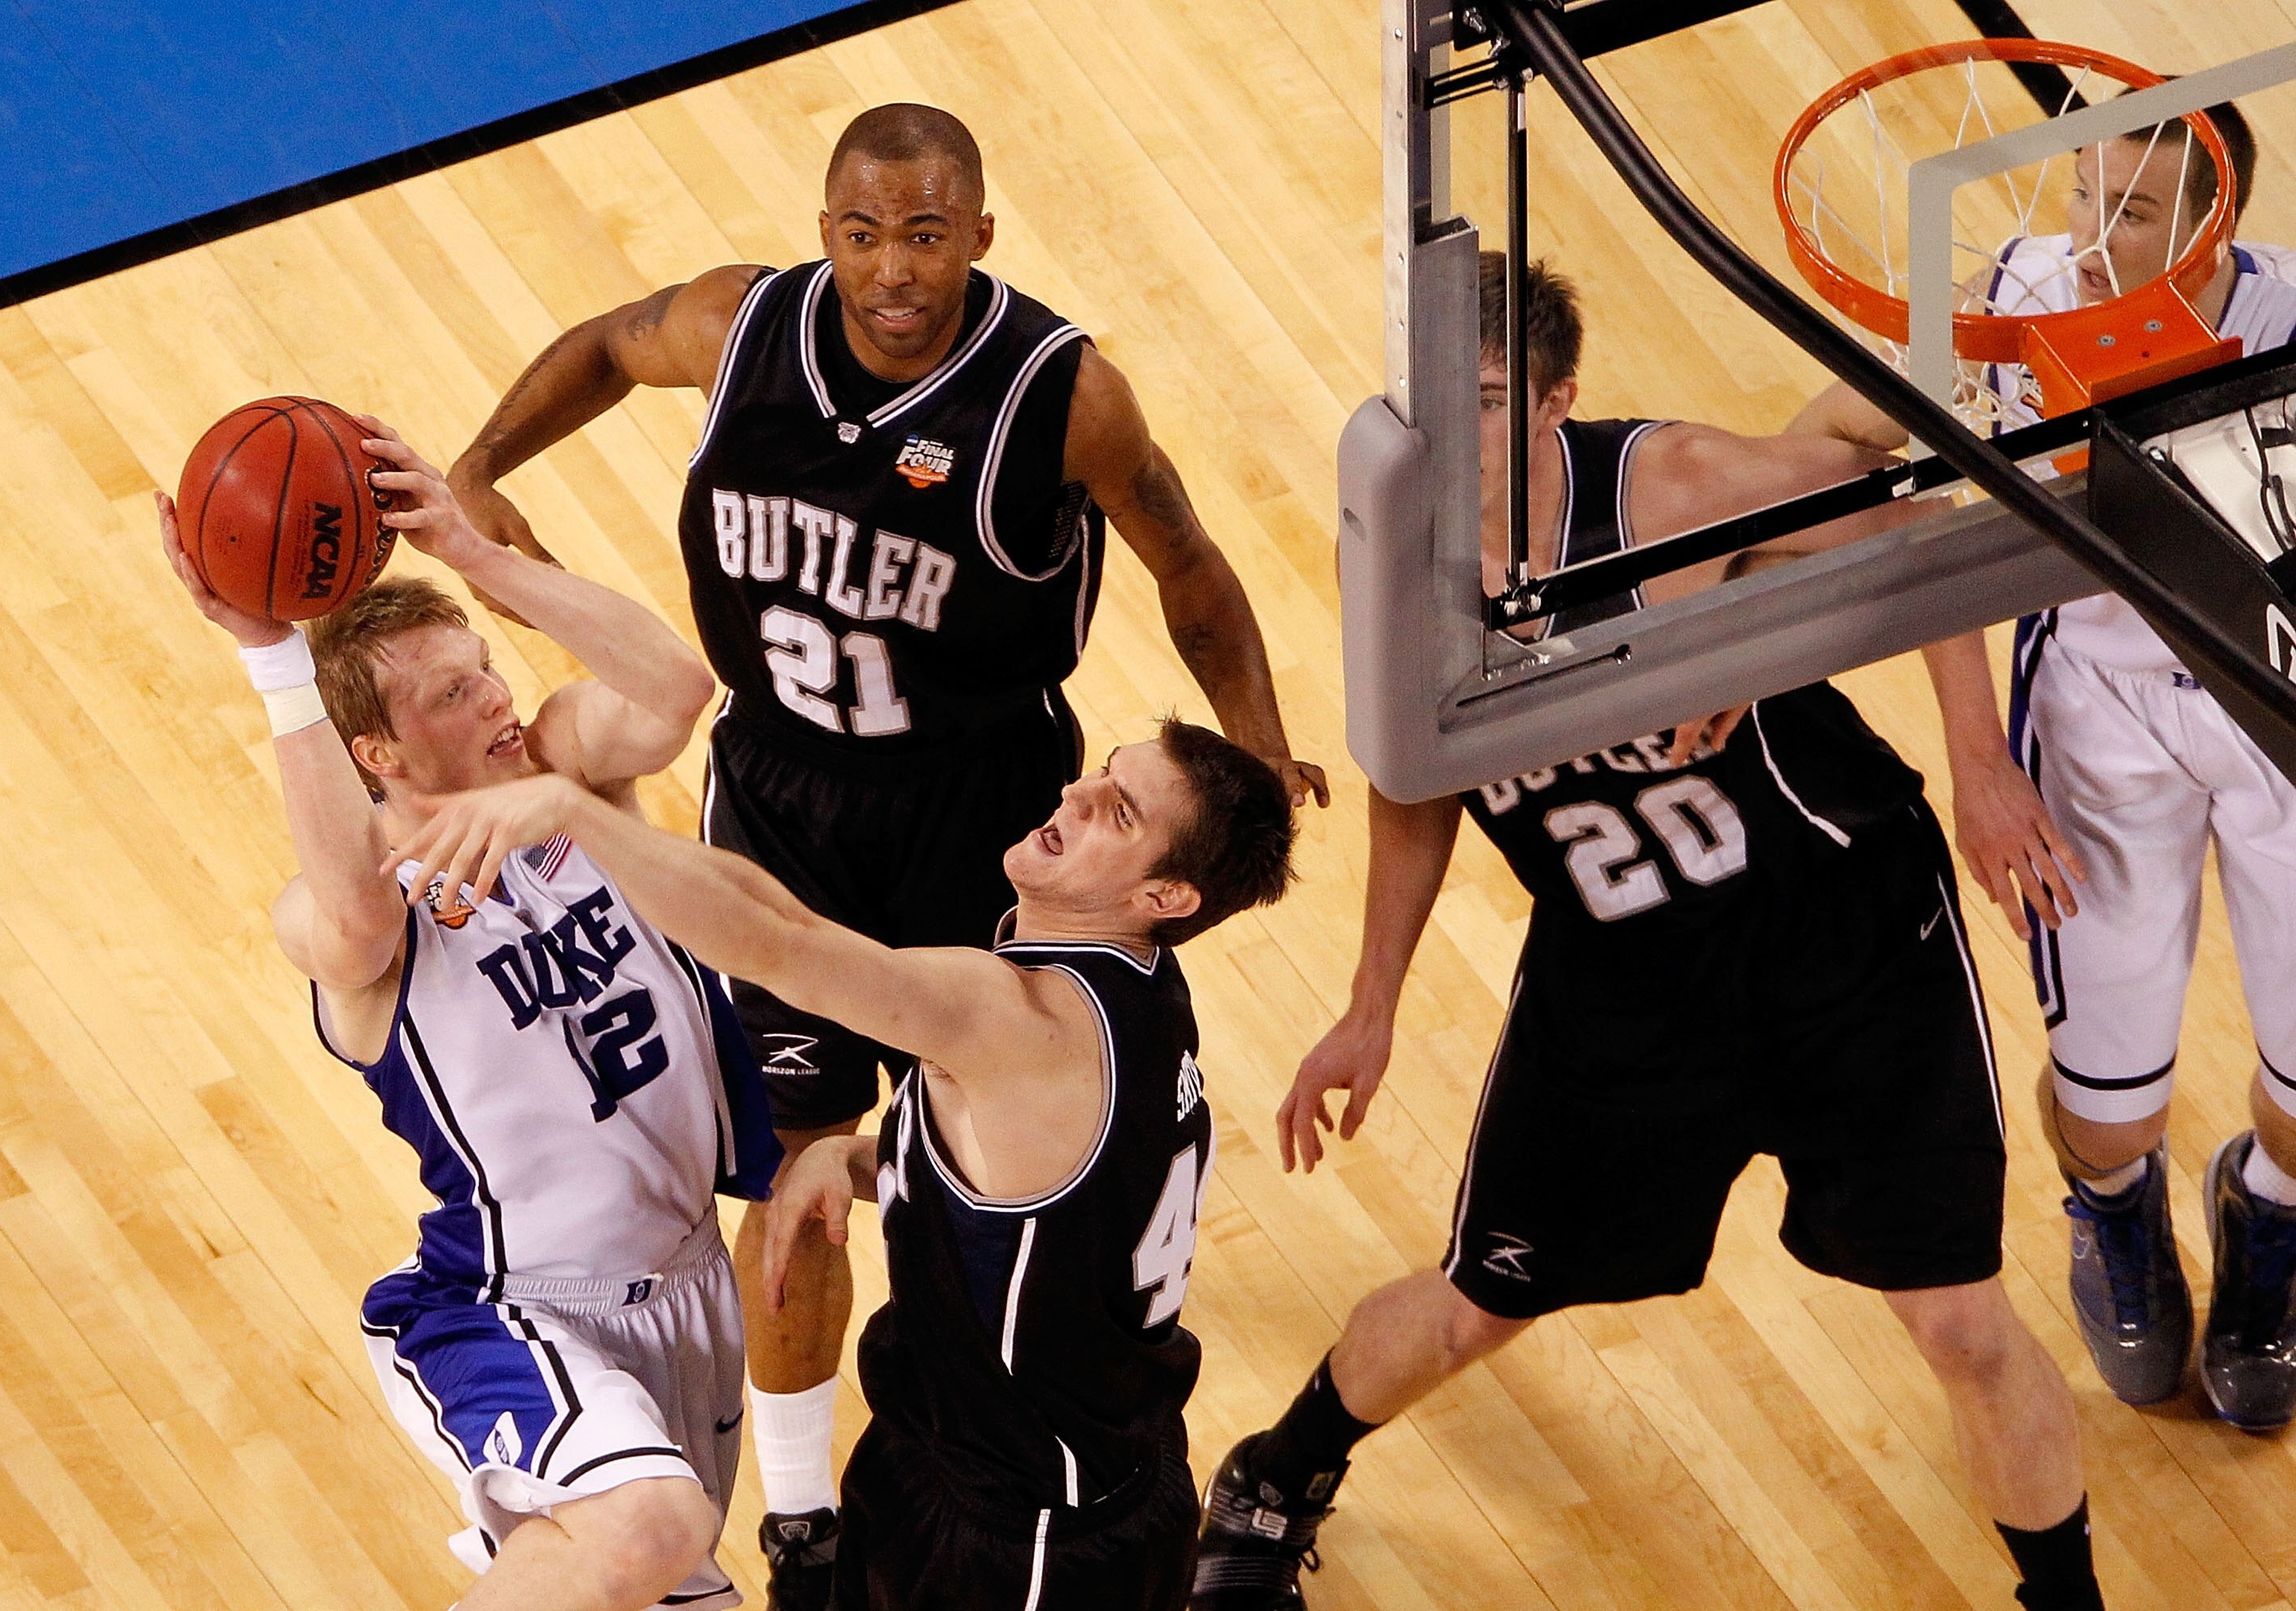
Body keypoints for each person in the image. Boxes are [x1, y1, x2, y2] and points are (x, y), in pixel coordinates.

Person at [446, 101, 1324, 1601]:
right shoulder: (742, 327)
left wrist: (1255, 744)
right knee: (796, 1172)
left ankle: (1023, 1398)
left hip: (986, 820)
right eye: (862, 234)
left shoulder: (1061, 397)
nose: (892, 269)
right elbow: (603, 343)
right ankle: (799, 1513)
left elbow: (1191, 565)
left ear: (980, 234)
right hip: (784, 792)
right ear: (824, 231)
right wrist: (474, 469)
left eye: (925, 235)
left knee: (1003, 1143)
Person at [1191, 255, 2106, 1611]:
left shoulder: (1676, 487)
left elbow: (1918, 552)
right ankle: (1276, 1476)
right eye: (1435, 399)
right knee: (1478, 1299)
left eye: (1493, 400)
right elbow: (1412, 772)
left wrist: (1977, 763)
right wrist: (1373, 1001)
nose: (1457, 434)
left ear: (1558, 404)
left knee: (1964, 1321)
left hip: (1845, 953)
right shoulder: (1396, 548)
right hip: (1621, 984)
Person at [388, 714, 1297, 1611]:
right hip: (976, 1458)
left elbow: (781, 948)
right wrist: (865, 1158)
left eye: (1120, 812)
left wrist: (577, 816)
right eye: (1101, 772)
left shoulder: (1017, 1017)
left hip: (1026, 1535)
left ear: (1166, 895)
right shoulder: (1141, 985)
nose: (1076, 793)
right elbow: (1060, 1202)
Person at [159, 421, 777, 1611]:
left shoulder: (571, 783)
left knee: (640, 1569)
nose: (497, 696)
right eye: (454, 692)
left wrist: (470, 549)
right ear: (378, 751)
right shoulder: (366, 911)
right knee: (647, 1524)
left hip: (691, 1289)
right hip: (512, 1306)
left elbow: (676, 689)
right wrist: (275, 660)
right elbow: (341, 920)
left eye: (486, 665)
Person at [1792, 101, 2296, 1429]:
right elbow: (1844, 446)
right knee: (2107, 1099)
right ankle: (2117, 1211)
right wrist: (1975, 755)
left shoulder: (2289, 330)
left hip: (2277, 715)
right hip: (2097, 711)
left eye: (2131, 211)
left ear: (2214, 221)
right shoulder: (2012, 319)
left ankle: (2272, 1215)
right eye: (2081, 193)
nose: (2089, 234)